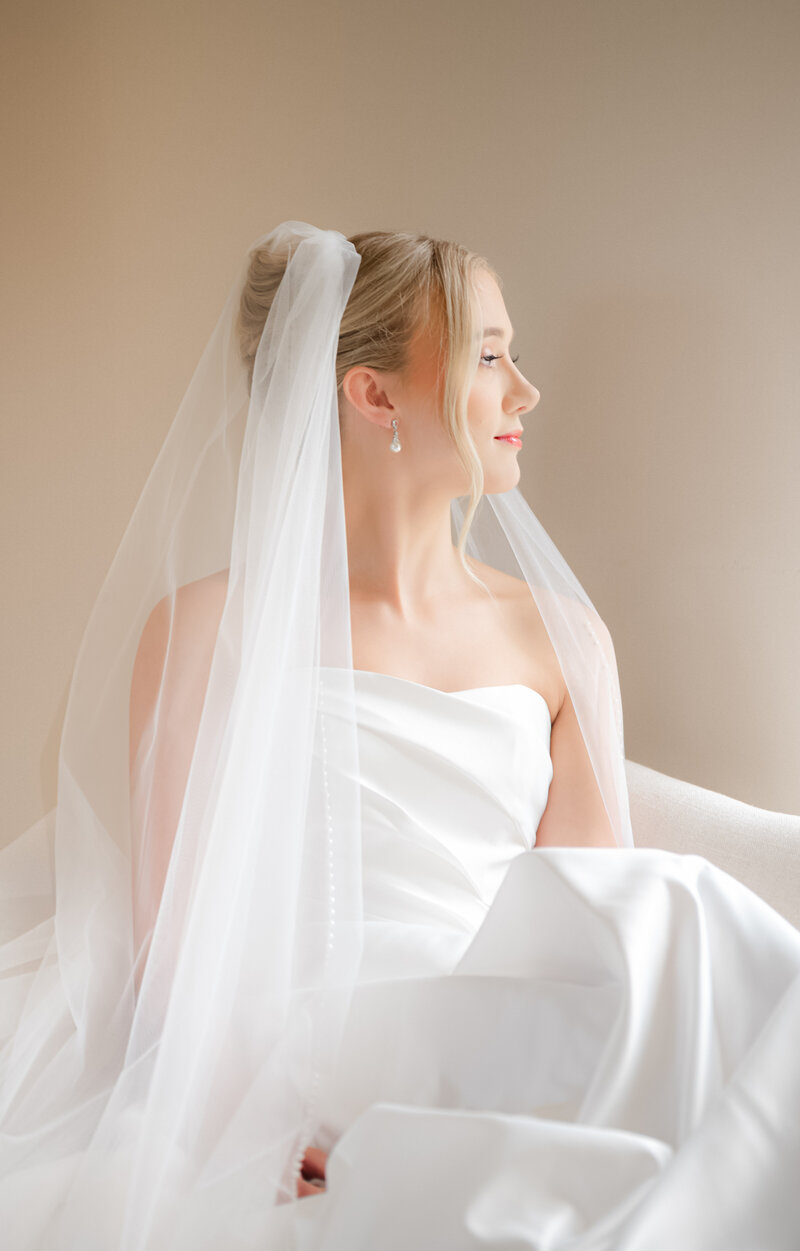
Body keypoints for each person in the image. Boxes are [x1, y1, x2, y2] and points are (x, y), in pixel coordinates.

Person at [1, 222, 799, 1249]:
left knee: (678, 909)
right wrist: (262, 1122)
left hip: (498, 1021)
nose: (524, 393)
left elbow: (595, 910)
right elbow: (180, 944)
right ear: (372, 395)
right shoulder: (205, 631)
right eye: (488, 355)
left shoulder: (562, 639)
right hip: (309, 1042)